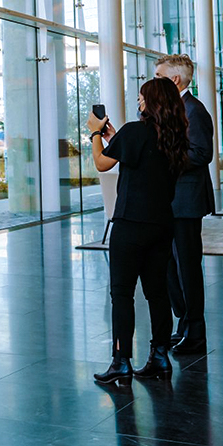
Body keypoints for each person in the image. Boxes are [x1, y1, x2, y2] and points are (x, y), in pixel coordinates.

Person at [88, 77, 190, 385]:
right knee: (156, 292)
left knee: (122, 294)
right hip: (161, 225)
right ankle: (159, 356)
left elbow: (101, 163)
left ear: (152, 102)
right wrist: (114, 135)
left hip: (130, 225)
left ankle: (121, 362)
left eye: (142, 97)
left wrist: (95, 133)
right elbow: (143, 156)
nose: (139, 102)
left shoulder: (136, 131)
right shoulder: (174, 138)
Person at [154, 54, 215, 354]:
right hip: (168, 201)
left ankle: (195, 333)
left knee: (188, 268)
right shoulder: (171, 110)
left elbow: (202, 154)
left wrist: (165, 157)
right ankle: (184, 323)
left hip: (187, 201)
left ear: (174, 79)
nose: (154, 82)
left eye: (158, 76)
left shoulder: (195, 110)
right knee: (169, 267)